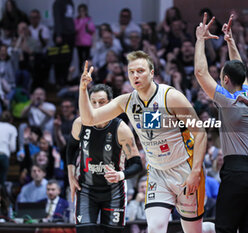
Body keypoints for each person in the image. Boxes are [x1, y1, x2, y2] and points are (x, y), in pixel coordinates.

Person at [79, 50, 207, 233]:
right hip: (157, 172)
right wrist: (83, 90)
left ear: (152, 72)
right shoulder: (126, 101)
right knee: (155, 228)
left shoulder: (171, 97)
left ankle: (211, 229)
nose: (135, 76)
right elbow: (89, 119)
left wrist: (195, 172)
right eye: (131, 72)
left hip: (184, 168)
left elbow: (200, 132)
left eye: (140, 71)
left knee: (194, 231)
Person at [194, 13, 248, 233]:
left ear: (225, 80)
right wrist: (230, 41)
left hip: (237, 173)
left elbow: (200, 72)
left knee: (224, 229)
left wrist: (200, 39)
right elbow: (241, 71)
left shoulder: (227, 100)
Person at [66, 84, 142, 233]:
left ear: (110, 103)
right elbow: (71, 148)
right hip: (86, 189)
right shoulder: (80, 123)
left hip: (114, 191)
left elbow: (137, 164)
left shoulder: (121, 129)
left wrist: (121, 175)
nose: (97, 106)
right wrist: (71, 175)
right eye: (93, 102)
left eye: (101, 102)